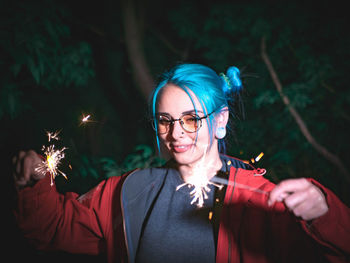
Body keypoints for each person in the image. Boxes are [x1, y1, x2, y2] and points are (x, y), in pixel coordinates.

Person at [13, 63, 350, 263]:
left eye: (191, 119)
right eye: (165, 120)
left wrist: (323, 212)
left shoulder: (261, 200)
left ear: (220, 121)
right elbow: (53, 228)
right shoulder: (129, 191)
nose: (175, 133)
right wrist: (34, 184)